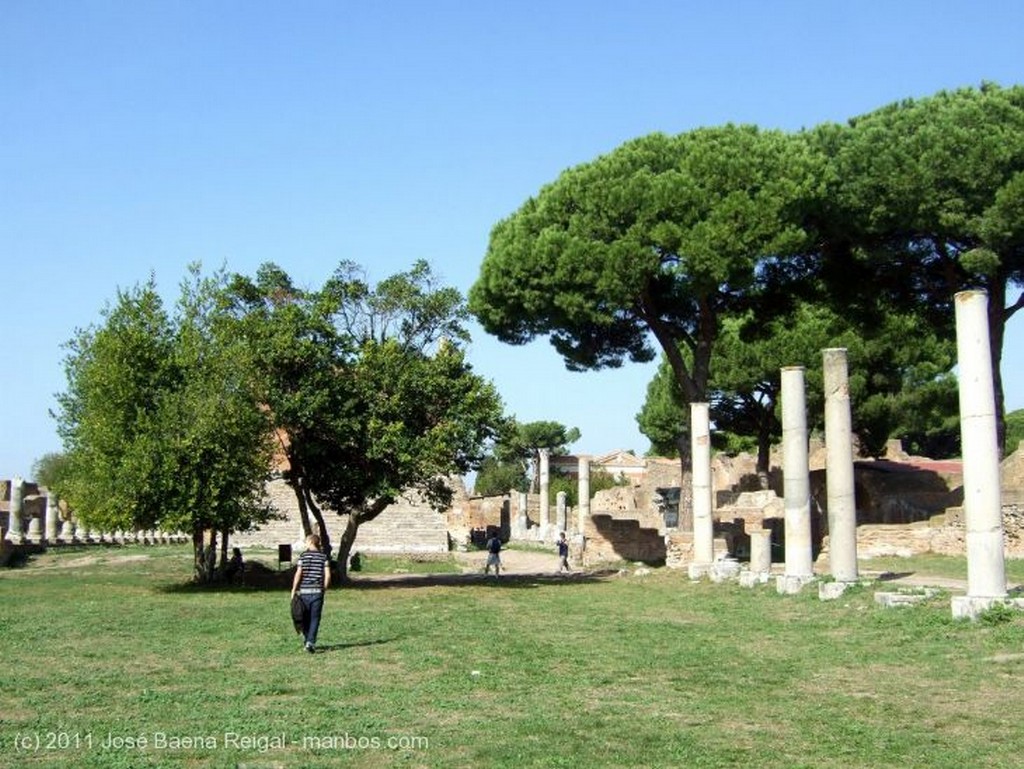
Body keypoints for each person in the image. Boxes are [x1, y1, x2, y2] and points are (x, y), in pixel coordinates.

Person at [290, 534, 331, 653]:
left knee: (304, 618)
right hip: (317, 591)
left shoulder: (303, 556)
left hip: (304, 591)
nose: (305, 544)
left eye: (306, 542)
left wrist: (294, 588)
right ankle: (310, 642)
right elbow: (327, 575)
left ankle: (308, 640)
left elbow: (298, 574)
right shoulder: (323, 557)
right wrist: (324, 588)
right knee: (315, 618)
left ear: (311, 542)